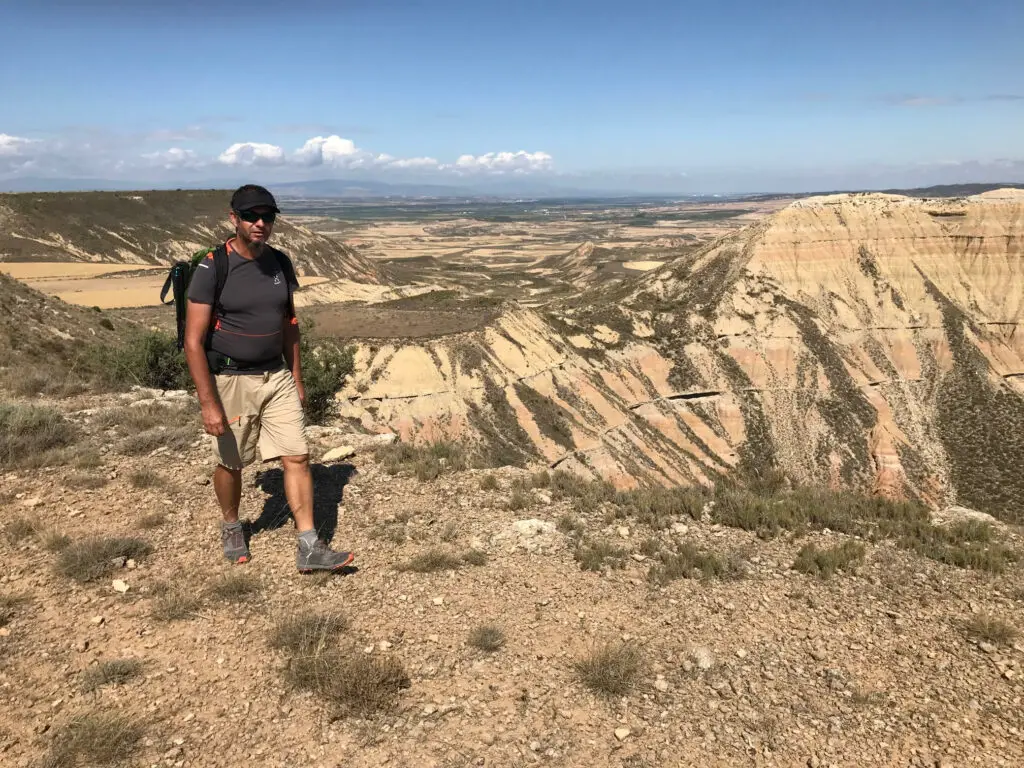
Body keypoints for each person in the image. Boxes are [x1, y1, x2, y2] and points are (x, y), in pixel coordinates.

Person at [183, 184, 354, 573]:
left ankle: (309, 545)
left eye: (268, 217)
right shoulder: (213, 267)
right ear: (234, 219)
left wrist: (296, 376)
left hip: (276, 376)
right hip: (231, 380)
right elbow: (193, 342)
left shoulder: (279, 262)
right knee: (232, 463)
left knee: (297, 455)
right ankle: (231, 524)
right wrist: (209, 403)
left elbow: (289, 324)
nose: (261, 224)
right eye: (251, 216)